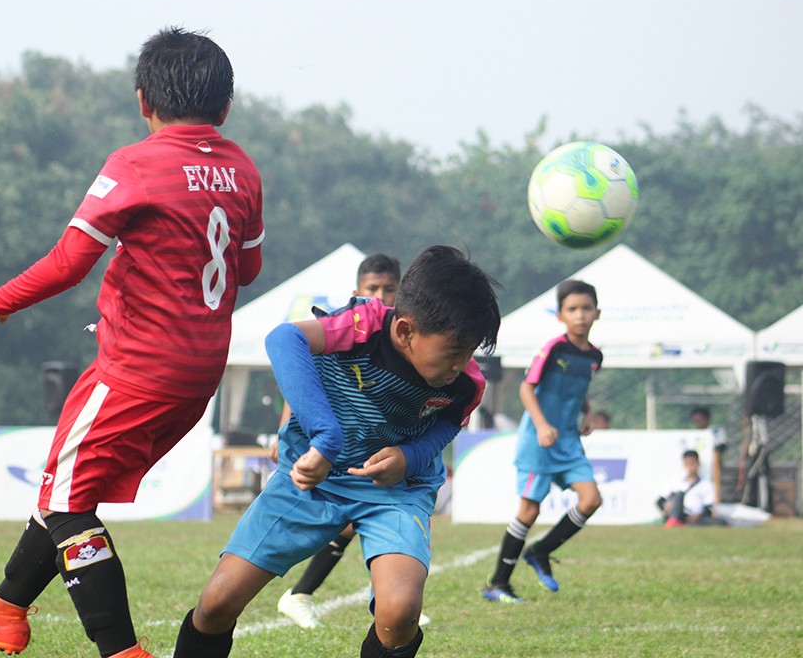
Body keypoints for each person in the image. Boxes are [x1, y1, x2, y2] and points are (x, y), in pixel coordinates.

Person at [0, 27, 264, 658]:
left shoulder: (135, 163)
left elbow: (69, 263)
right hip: (198, 372)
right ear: (226, 107)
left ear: (143, 100)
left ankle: (121, 651)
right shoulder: (242, 168)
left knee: (68, 504)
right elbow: (248, 268)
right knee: (64, 486)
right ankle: (2, 610)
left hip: (136, 367)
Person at [174, 246, 500, 658]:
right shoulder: (362, 325)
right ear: (405, 331)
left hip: (395, 492)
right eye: (453, 353)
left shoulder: (465, 383)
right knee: (216, 602)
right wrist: (324, 439)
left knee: (400, 613)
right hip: (312, 482)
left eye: (469, 353)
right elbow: (284, 339)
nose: (461, 364)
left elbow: (449, 423)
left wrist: (410, 458)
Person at [276, 253, 428, 629]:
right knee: (355, 518)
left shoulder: (409, 338)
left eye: (389, 289)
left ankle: (383, 598)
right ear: (356, 290)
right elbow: (305, 376)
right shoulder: (350, 325)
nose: (380, 295)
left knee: (368, 519)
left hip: (378, 443)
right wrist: (286, 429)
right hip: (338, 442)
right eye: (372, 288)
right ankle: (305, 594)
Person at [483, 279, 603, 604]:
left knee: (591, 499)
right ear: (560, 315)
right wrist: (541, 424)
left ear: (597, 313)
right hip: (539, 440)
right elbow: (526, 387)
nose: (580, 315)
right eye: (572, 309)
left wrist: (588, 413)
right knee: (528, 511)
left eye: (586, 308)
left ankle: (540, 551)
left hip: (568, 441)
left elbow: (578, 388)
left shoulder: (595, 356)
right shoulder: (553, 349)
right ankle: (498, 583)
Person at [657, 450, 726, 526]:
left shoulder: (706, 484)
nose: (690, 467)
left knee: (720, 522)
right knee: (679, 495)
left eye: (693, 463)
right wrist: (666, 506)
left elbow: (708, 508)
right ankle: (674, 521)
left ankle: (683, 524)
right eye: (687, 464)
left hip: (695, 517)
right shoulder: (675, 481)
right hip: (678, 514)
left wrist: (698, 516)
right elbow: (659, 501)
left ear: (698, 464)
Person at [689, 406, 726, 503]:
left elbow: (721, 446)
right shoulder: (694, 434)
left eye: (699, 420)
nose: (697, 423)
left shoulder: (716, 431)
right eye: (695, 421)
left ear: (707, 418)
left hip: (713, 464)